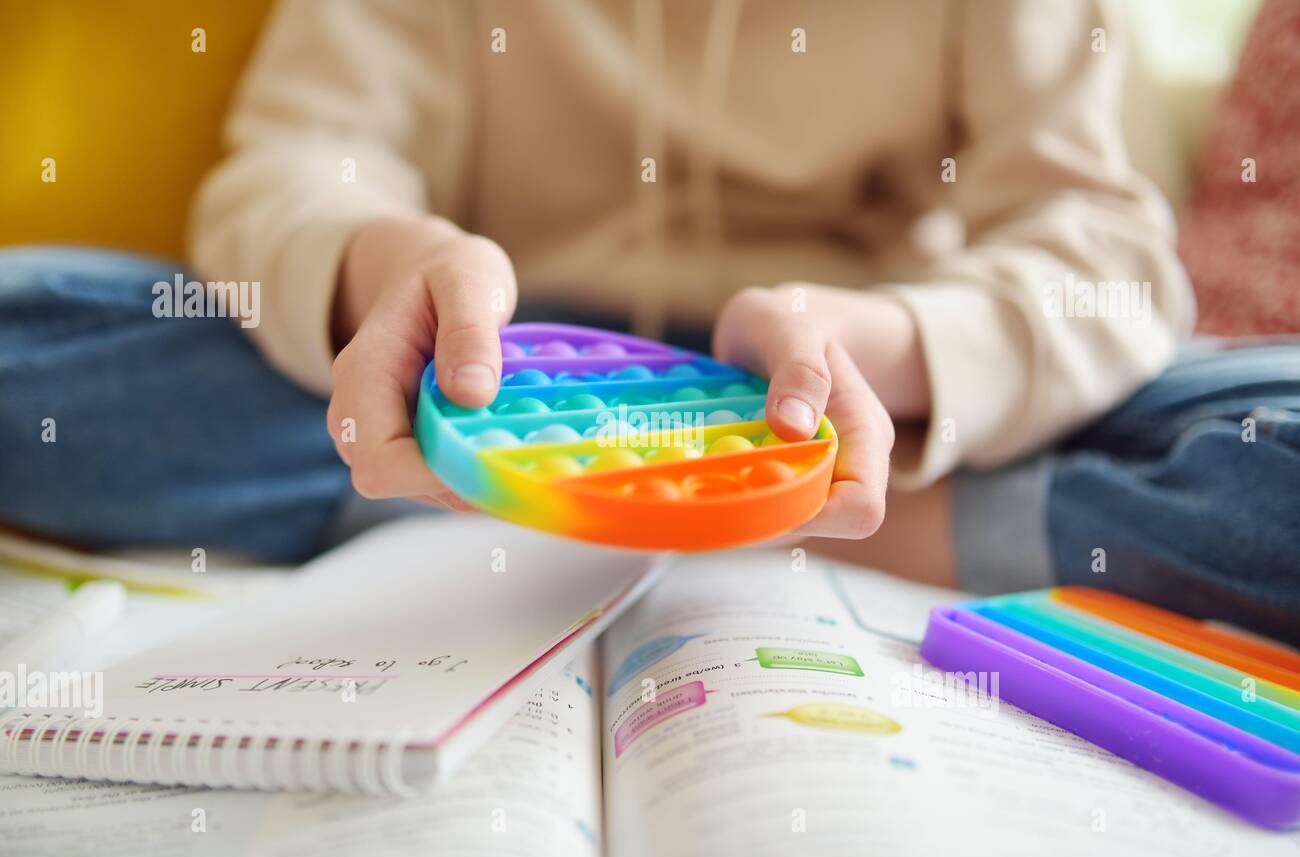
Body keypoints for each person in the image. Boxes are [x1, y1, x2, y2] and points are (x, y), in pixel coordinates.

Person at [11, 1, 1284, 636]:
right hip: (504, 373)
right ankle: (473, 477)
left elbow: (1106, 252)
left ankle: (868, 528)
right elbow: (301, 159)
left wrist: (886, 348)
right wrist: (382, 265)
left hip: (881, 396)